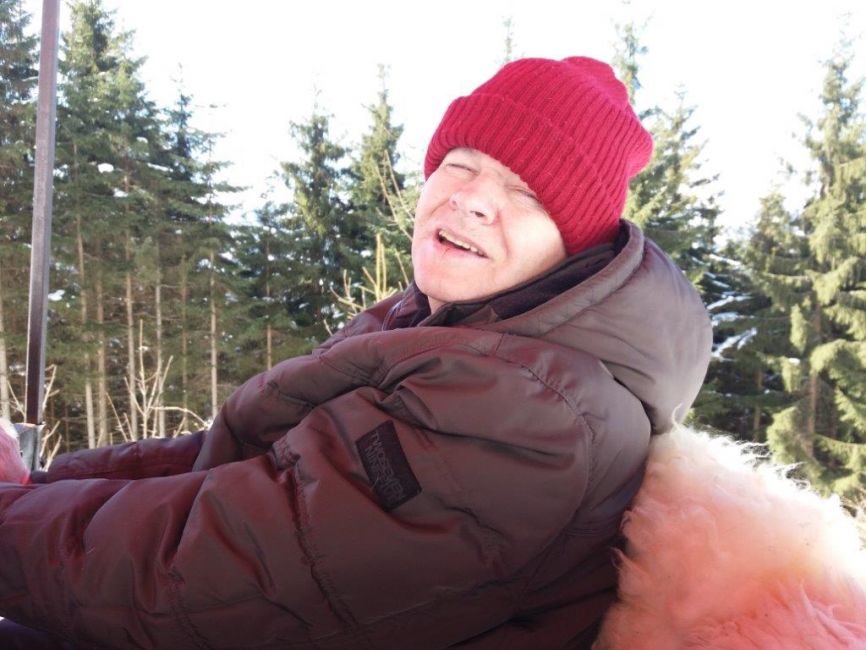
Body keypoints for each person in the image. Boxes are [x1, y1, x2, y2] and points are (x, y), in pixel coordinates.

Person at [0, 56, 711, 649]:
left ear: (574, 244)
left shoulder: (535, 414)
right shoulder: (435, 330)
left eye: (527, 192)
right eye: (461, 163)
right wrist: (37, 484)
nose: (471, 199)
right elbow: (232, 464)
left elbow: (212, 572)